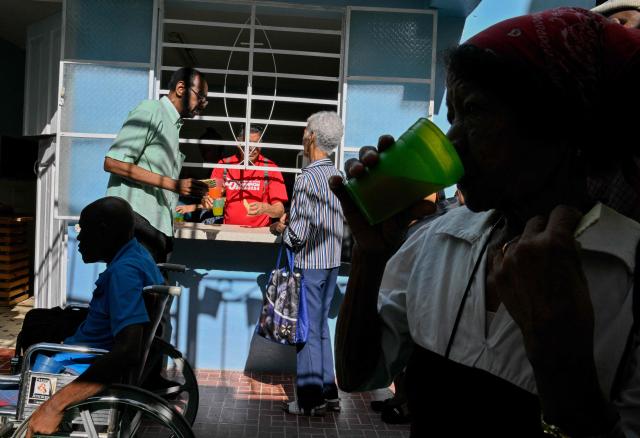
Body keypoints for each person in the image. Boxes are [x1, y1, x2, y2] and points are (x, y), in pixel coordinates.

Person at [332, 8, 640, 437]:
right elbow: (356, 375)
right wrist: (370, 255)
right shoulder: (436, 240)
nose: (452, 141)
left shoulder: (627, 272)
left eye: (474, 111)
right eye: (452, 117)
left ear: (560, 124)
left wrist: (562, 361)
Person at [25, 197, 164, 438]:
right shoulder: (138, 255)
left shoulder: (124, 273)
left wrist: (53, 406)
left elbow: (127, 350)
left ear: (103, 231)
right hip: (80, 353)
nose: (78, 239)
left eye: (83, 230)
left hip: (74, 368)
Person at [270, 111, 345, 416]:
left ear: (312, 136)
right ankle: (329, 394)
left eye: (304, 131)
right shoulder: (338, 176)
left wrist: (280, 229)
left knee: (306, 331)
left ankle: (309, 400)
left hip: (311, 264)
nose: (302, 136)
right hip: (332, 262)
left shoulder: (306, 178)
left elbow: (298, 235)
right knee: (321, 328)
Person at [103, 67, 209, 263]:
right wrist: (175, 185)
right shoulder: (151, 110)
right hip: (136, 223)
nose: (203, 104)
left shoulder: (173, 126)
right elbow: (114, 162)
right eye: (200, 97)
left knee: (152, 292)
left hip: (158, 228)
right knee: (131, 290)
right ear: (180, 88)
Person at [179, 125, 288, 227]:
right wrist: (206, 202)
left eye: (257, 143)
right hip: (228, 232)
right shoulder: (224, 165)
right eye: (248, 144)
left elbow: (279, 210)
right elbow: (212, 200)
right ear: (238, 143)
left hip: (259, 235)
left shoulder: (270, 168)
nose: (253, 149)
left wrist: (265, 208)